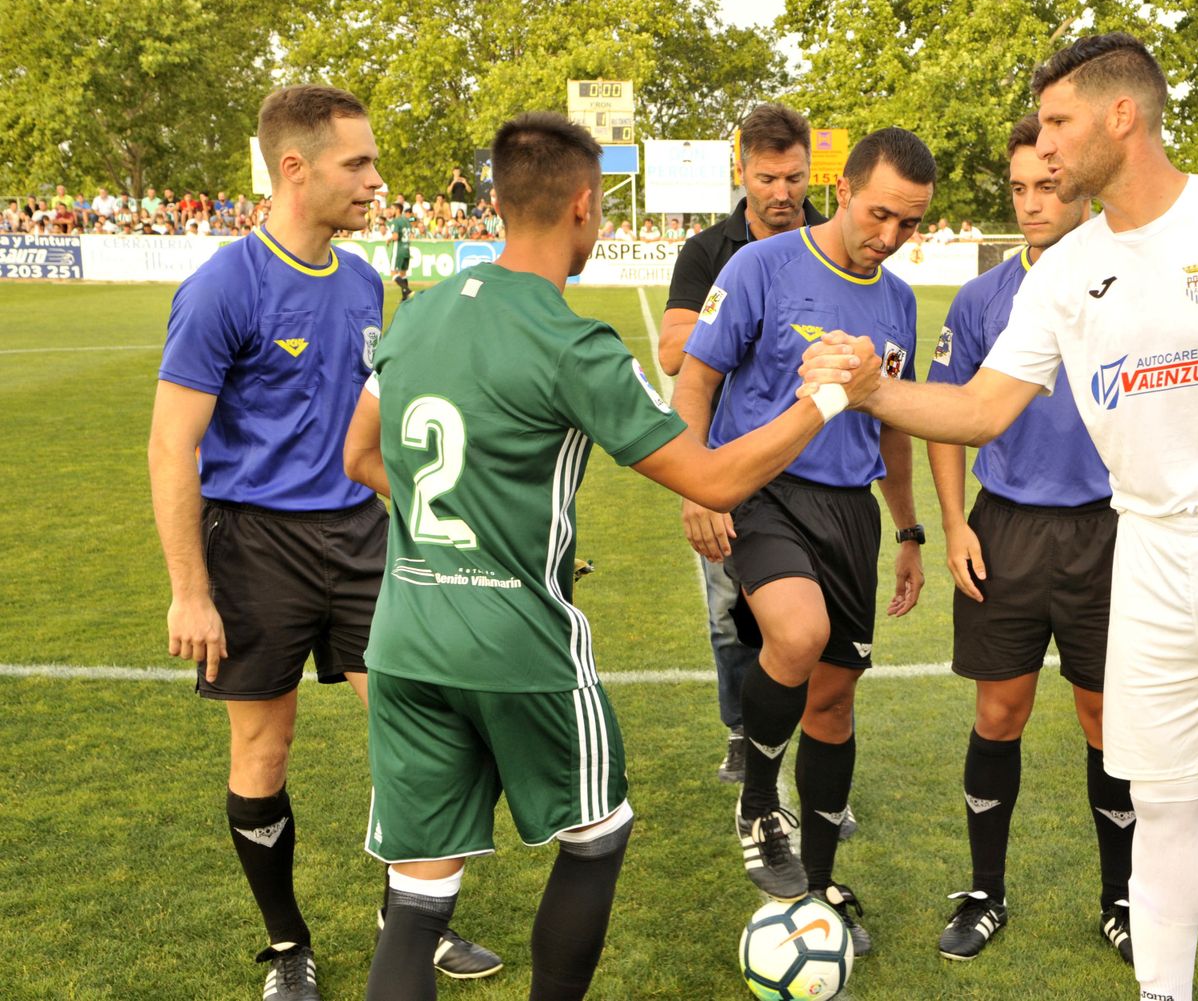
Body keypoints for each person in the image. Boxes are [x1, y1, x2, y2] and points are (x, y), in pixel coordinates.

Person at [800, 32, 1198, 1001]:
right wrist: (873, 390)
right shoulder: (1063, 272)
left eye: (1057, 122)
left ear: (1120, 115)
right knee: (1161, 805)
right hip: (1149, 561)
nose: (1043, 146)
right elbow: (979, 410)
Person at [345, 111, 877, 1001]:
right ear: (584, 205)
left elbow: (359, 456)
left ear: (498, 201)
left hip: (404, 638)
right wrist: (825, 401)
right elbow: (712, 476)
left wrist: (462, 522)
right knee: (597, 835)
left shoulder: (419, 313)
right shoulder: (574, 344)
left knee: (419, 894)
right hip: (518, 644)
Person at [149, 84, 501, 1001]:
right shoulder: (223, 286)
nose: (377, 180)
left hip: (361, 536)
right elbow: (171, 444)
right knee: (264, 748)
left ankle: (407, 918)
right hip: (254, 546)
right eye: (360, 163)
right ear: (296, 168)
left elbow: (370, 432)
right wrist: (190, 590)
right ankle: (287, 945)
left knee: (425, 730)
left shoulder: (361, 281)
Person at [677, 126, 936, 956]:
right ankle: (759, 799)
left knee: (832, 700)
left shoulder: (899, 301)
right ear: (846, 189)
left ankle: (820, 885)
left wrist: (908, 529)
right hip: (763, 492)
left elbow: (893, 425)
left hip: (850, 509)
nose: (890, 235)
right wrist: (697, 484)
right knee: (797, 634)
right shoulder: (761, 266)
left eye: (909, 223)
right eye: (880, 213)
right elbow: (696, 380)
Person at [927, 113, 1134, 965]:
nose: (1032, 203)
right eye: (1019, 189)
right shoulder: (982, 299)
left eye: (1047, 186)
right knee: (999, 711)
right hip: (1005, 528)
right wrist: (952, 523)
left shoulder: (1129, 283)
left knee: (1107, 718)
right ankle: (986, 892)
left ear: (1081, 186)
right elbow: (947, 416)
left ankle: (1123, 899)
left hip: (1108, 531)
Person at [657, 102, 827, 786]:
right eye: (766, 178)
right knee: (731, 619)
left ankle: (813, 755)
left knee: (815, 628)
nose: (782, 193)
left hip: (818, 475)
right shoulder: (708, 252)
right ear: (741, 172)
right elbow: (674, 354)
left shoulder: (833, 240)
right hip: (729, 469)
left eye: (794, 177)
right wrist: (740, 314)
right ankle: (740, 730)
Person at [387, 203, 416, 300]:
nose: (390, 211)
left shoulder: (396, 221)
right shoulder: (407, 220)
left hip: (398, 249)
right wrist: (413, 216)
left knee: (393, 273)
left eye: (392, 209)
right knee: (403, 273)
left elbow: (395, 237)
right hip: (407, 249)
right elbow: (415, 220)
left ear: (397, 210)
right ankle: (405, 297)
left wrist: (389, 239)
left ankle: (407, 290)